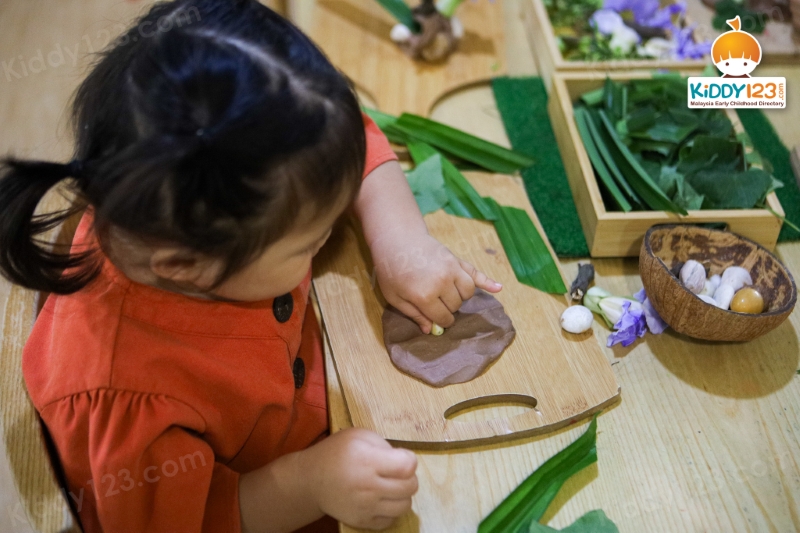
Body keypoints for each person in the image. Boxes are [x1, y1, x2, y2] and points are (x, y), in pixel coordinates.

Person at [0, 0, 502, 531]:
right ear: (187, 266)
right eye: (308, 243)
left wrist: (401, 239)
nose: (326, 235)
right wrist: (311, 484)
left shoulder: (215, 192)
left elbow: (345, 146)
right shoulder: (126, 395)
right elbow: (186, 522)